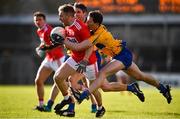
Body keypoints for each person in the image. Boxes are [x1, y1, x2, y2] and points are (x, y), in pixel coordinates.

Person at [60, 10, 172, 105]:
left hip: (122, 55)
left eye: (89, 21)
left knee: (102, 73)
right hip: (119, 55)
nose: (87, 22)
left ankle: (84, 94)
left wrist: (62, 40)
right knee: (140, 76)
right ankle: (163, 88)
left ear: (96, 23)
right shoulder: (93, 30)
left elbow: (79, 46)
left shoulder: (98, 34)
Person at [52, 4, 105, 117]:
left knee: (94, 89)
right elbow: (69, 44)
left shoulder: (81, 27)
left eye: (61, 16)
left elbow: (90, 45)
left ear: (68, 16)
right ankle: (68, 99)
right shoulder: (66, 28)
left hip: (89, 62)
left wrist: (85, 60)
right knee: (58, 77)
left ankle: (100, 107)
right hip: (75, 58)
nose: (59, 18)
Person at [33, 11, 65, 112]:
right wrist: (40, 48)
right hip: (49, 58)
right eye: (36, 20)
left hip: (58, 58)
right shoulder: (39, 30)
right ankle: (41, 104)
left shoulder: (49, 30)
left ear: (45, 20)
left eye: (40, 19)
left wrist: (43, 50)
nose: (38, 22)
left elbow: (58, 44)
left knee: (61, 82)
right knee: (38, 81)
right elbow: (44, 44)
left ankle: (50, 104)